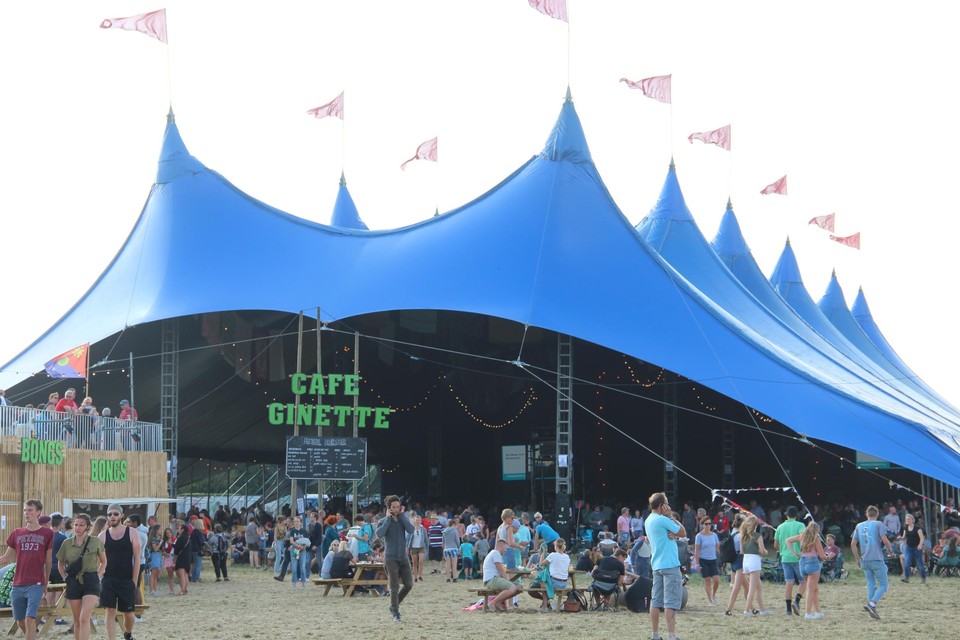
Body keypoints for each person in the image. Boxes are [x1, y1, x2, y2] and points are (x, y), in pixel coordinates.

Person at [0, 500, 55, 640]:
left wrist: (46, 581)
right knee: (20, 621)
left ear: (38, 512)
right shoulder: (17, 533)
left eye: (30, 510)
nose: (27, 513)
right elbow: (6, 557)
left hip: (36, 583)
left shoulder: (47, 533)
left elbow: (48, 560)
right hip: (17, 583)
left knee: (30, 618)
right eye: (25, 510)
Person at [56, 513, 106, 640]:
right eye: (76, 525)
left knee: (84, 617)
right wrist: (65, 577)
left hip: (91, 580)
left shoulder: (95, 541)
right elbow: (60, 563)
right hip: (73, 580)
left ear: (88, 527)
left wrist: (98, 576)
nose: (78, 528)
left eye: (81, 525)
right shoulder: (67, 543)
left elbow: (104, 561)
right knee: (77, 620)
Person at [645, 492, 686, 640]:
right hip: (670, 564)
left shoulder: (648, 520)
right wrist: (671, 517)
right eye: (667, 503)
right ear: (662, 506)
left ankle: (655, 635)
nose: (669, 506)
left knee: (655, 601)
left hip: (656, 564)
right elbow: (683, 532)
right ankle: (671, 635)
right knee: (671, 602)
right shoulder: (663, 519)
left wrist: (673, 534)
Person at [97, 504, 140, 640]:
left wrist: (134, 580)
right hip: (108, 579)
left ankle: (128, 633)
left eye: (115, 514)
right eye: (109, 514)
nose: (112, 517)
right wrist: (100, 575)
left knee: (128, 614)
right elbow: (99, 559)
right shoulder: (102, 535)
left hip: (126, 579)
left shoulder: (132, 532)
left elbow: (137, 558)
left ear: (121, 515)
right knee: (109, 611)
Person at [850, 505, 894, 620]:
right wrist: (891, 551)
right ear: (877, 514)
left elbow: (853, 544)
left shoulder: (859, 526)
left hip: (864, 559)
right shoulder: (879, 524)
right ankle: (872, 603)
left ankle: (872, 608)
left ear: (866, 514)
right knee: (884, 585)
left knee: (871, 584)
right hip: (876, 558)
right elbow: (885, 540)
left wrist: (857, 558)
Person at [376, 495, 414, 622]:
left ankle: (394, 605)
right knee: (394, 586)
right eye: (394, 507)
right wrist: (387, 518)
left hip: (403, 557)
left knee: (408, 584)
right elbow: (379, 534)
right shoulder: (384, 521)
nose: (396, 509)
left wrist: (402, 516)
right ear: (389, 508)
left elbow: (411, 530)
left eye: (398, 507)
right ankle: (396, 612)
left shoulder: (402, 519)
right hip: (390, 558)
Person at [786, 521, 826, 619]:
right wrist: (828, 557)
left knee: (815, 589)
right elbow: (822, 555)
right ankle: (807, 613)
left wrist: (794, 553)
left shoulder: (802, 536)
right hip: (812, 563)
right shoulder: (816, 539)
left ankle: (818, 611)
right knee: (811, 590)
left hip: (802, 563)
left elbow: (788, 540)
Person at [774, 505, 807, 616]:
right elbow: (803, 539)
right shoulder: (801, 525)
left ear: (787, 515)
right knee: (804, 581)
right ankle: (797, 601)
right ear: (796, 516)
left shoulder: (780, 527)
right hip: (797, 557)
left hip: (785, 557)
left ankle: (788, 610)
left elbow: (775, 545)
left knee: (789, 582)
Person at [740, 514, 773, 616]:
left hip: (745, 561)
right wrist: (765, 552)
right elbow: (763, 551)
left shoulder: (742, 536)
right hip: (754, 561)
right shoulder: (757, 536)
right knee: (753, 588)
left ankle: (762, 610)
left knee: (758, 587)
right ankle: (747, 610)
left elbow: (741, 551)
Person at [481, 538, 520, 612]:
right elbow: (501, 570)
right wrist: (508, 582)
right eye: (505, 548)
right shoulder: (496, 553)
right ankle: (493, 603)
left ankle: (498, 603)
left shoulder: (492, 553)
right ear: (501, 547)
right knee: (512, 588)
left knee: (518, 588)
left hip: (491, 580)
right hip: (492, 580)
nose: (505, 550)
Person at [693, 517, 721, 606]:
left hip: (713, 559)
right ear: (702, 525)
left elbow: (718, 547)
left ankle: (713, 595)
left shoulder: (714, 535)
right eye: (706, 524)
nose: (708, 526)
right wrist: (697, 564)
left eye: (709, 524)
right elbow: (696, 551)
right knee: (707, 580)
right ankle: (710, 600)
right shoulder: (699, 536)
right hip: (703, 560)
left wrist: (720, 557)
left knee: (717, 580)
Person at [723, 514, 746, 616]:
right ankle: (729, 608)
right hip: (740, 561)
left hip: (733, 561)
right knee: (737, 587)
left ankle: (751, 607)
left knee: (747, 586)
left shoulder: (733, 532)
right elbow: (742, 550)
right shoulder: (741, 535)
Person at [899, 513, 926, 584]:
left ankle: (923, 578)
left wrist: (920, 544)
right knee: (907, 563)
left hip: (916, 547)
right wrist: (901, 538)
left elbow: (922, 538)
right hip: (909, 548)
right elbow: (904, 537)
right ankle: (906, 577)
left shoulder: (917, 528)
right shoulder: (905, 528)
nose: (907, 520)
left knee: (919, 564)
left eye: (909, 519)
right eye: (906, 519)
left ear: (912, 520)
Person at [407, 513, 427, 582]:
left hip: (421, 547)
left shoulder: (423, 529)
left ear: (420, 521)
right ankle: (415, 576)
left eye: (419, 520)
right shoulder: (411, 529)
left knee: (421, 561)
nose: (417, 521)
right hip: (413, 547)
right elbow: (408, 539)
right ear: (414, 521)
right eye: (416, 520)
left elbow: (426, 539)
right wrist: (408, 548)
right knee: (414, 563)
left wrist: (427, 548)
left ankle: (420, 575)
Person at [441, 518, 461, 582]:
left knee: (447, 564)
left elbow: (443, 542)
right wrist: (459, 547)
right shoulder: (454, 530)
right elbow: (457, 540)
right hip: (454, 548)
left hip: (446, 549)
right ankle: (455, 577)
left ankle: (448, 578)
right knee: (454, 564)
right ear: (453, 524)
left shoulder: (444, 531)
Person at [160, 528, 176, 595]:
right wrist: (164, 553)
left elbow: (177, 548)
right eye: (167, 533)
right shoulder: (164, 542)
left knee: (179, 573)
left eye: (169, 532)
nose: (168, 534)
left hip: (175, 558)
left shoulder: (175, 540)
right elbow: (162, 551)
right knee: (170, 575)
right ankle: (171, 590)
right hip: (168, 558)